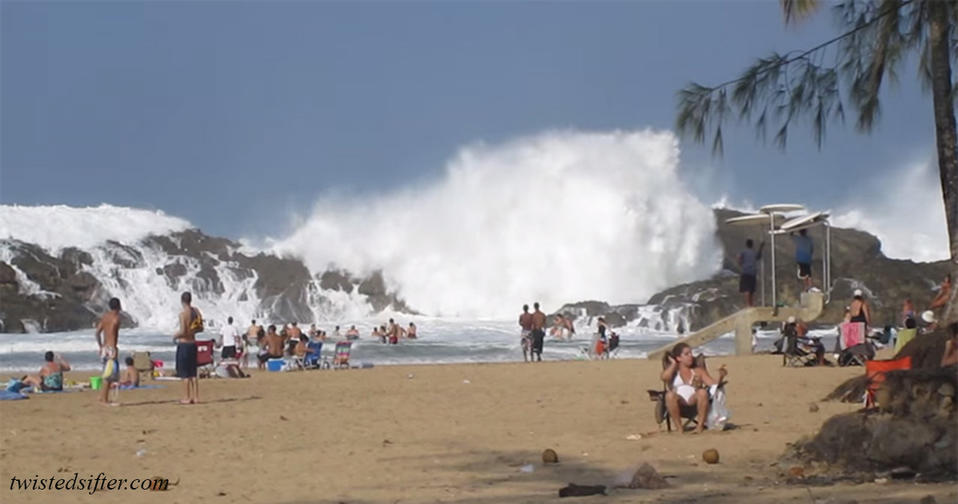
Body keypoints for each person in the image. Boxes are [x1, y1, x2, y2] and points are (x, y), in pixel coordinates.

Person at [660, 343, 727, 434]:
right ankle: (679, 428)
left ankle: (699, 427)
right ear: (679, 358)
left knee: (702, 392)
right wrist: (674, 364)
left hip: (694, 401)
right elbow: (664, 378)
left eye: (691, 353)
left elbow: (713, 385)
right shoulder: (674, 372)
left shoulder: (697, 370)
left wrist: (721, 377)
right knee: (669, 395)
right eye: (686, 354)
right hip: (679, 401)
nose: (691, 356)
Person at [174, 292, 201, 405]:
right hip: (193, 343)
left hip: (184, 344)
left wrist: (175, 336)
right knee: (193, 372)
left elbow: (183, 331)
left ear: (182, 301)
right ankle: (196, 397)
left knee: (185, 373)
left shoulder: (182, 314)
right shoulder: (196, 312)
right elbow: (200, 328)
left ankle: (186, 397)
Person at [94, 297, 123, 405]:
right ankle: (104, 400)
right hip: (111, 348)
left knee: (106, 373)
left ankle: (101, 397)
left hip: (104, 348)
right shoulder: (117, 319)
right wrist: (115, 349)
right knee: (109, 375)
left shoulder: (105, 317)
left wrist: (100, 345)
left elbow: (97, 332)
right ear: (119, 306)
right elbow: (114, 335)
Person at [738, 239, 765, 307]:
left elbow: (739, 259)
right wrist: (761, 247)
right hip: (752, 273)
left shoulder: (743, 252)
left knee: (746, 289)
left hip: (745, 272)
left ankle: (748, 304)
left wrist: (741, 264)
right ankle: (751, 304)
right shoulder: (753, 252)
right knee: (751, 289)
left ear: (746, 245)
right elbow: (758, 256)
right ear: (752, 245)